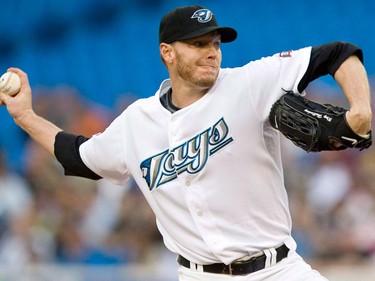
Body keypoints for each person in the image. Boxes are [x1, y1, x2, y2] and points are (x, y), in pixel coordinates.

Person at [0, 4, 372, 281]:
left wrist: (359, 112)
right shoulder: (136, 122)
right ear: (168, 52)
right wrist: (25, 116)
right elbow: (78, 156)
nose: (211, 50)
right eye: (198, 43)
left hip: (277, 271)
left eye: (214, 42)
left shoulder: (248, 82)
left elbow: (338, 53)